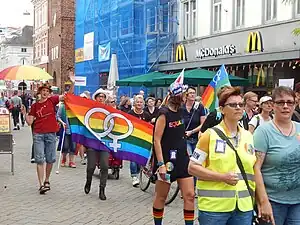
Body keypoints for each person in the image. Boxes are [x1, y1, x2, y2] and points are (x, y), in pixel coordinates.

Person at [188, 86, 256, 225]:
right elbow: (192, 168)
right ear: (222, 109)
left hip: (243, 207)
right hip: (214, 209)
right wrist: (221, 177)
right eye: (232, 105)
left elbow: (254, 171)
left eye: (240, 104)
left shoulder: (248, 136)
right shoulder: (210, 135)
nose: (238, 108)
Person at [254, 86, 300, 225]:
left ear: (295, 104)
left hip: (297, 201)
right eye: (280, 102)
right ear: (273, 105)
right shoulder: (263, 132)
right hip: (273, 201)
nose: (285, 106)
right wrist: (263, 202)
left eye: (289, 102)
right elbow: (255, 168)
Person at [152, 81, 194, 225]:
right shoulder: (164, 114)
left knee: (189, 195)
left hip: (182, 158)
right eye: (183, 94)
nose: (186, 96)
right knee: (161, 197)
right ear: (176, 95)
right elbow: (156, 140)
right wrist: (161, 164)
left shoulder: (182, 111)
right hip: (167, 161)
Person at [23, 83, 67, 194]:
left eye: (47, 91)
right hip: (38, 134)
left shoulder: (52, 101)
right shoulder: (34, 106)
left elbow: (65, 96)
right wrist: (24, 113)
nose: (45, 93)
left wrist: (71, 82)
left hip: (51, 133)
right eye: (43, 91)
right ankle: (41, 184)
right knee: (39, 159)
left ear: (49, 93)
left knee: (50, 158)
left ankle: (47, 180)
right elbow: (30, 122)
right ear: (39, 92)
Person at [84, 88, 109, 200]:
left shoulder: (109, 111)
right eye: (99, 96)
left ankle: (102, 189)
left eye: (103, 97)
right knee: (91, 166)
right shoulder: (90, 110)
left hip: (105, 142)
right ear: (96, 98)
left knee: (104, 165)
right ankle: (88, 181)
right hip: (92, 141)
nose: (101, 98)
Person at [128, 95, 151, 187]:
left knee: (140, 157)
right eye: (137, 102)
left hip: (143, 139)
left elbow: (149, 126)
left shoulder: (146, 115)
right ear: (134, 103)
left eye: (141, 102)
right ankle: (134, 176)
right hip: (133, 138)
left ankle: (138, 171)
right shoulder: (130, 113)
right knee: (133, 157)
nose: (139, 104)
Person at [57, 99, 76, 168]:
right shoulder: (62, 107)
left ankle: (71, 161)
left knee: (73, 146)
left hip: (74, 130)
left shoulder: (75, 107)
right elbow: (58, 116)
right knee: (65, 146)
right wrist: (62, 122)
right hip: (65, 129)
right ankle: (64, 159)